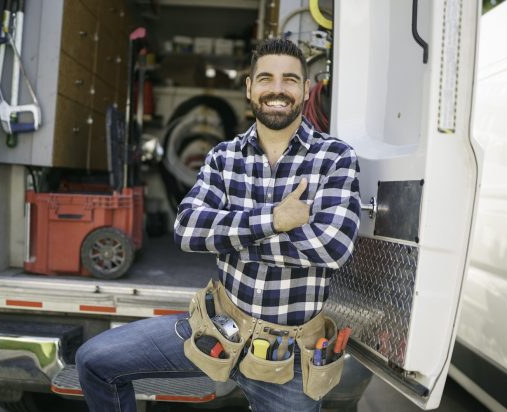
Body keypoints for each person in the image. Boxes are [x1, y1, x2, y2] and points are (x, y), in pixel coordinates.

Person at [76, 38, 361, 412]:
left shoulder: (335, 157)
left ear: (306, 89)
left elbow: (333, 248)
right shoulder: (224, 157)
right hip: (216, 331)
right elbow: (188, 230)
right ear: (249, 88)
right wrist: (274, 221)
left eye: (290, 79)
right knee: (94, 361)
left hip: (289, 358)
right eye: (266, 78)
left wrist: (229, 236)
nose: (277, 89)